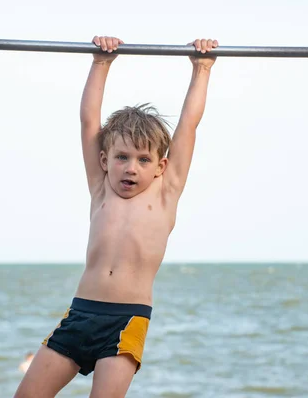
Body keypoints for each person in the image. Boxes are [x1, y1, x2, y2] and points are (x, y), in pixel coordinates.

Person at [14, 35, 218, 398]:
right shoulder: (100, 188)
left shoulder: (166, 193)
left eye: (143, 160)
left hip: (126, 321)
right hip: (80, 314)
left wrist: (202, 68)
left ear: (161, 166)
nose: (131, 168)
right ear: (105, 161)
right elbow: (89, 120)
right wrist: (101, 63)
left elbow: (188, 126)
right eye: (122, 157)